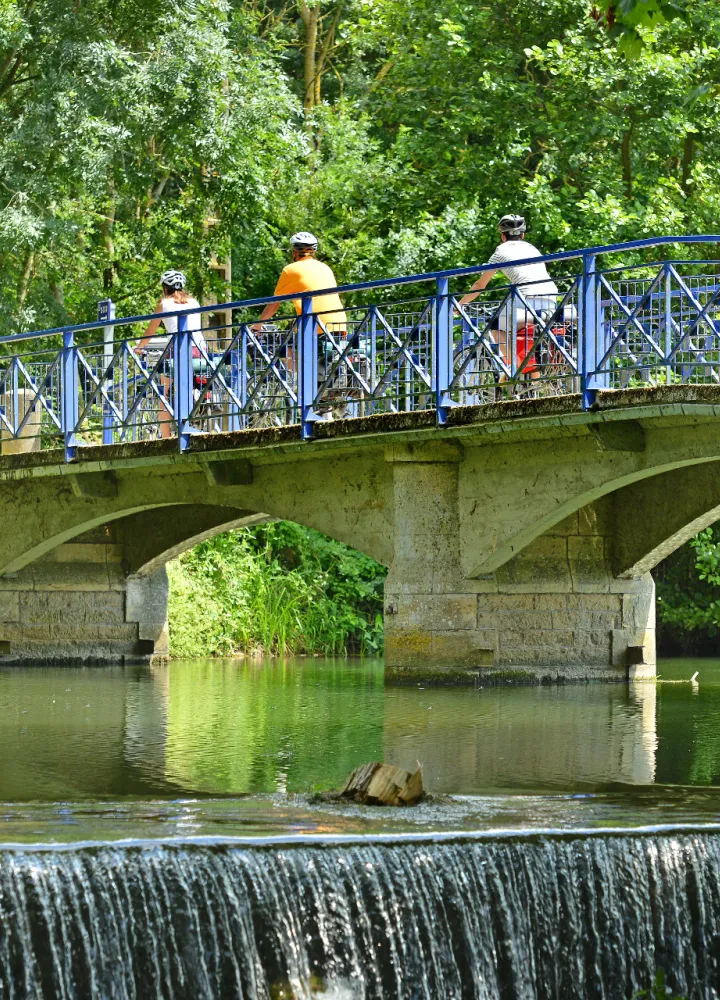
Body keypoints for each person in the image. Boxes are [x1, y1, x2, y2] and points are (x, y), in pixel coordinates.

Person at [458, 215, 558, 371]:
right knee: (524, 335)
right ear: (523, 236)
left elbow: (480, 284)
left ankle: (517, 369)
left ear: (502, 236)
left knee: (496, 328)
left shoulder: (501, 251)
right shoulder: (532, 248)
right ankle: (532, 381)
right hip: (551, 298)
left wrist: (460, 304)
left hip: (527, 300)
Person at [136, 270, 207, 438]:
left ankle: (166, 437)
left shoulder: (164, 303)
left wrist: (139, 347)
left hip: (178, 350)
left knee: (163, 391)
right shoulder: (194, 301)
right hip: (200, 349)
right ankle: (203, 400)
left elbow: (150, 331)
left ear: (164, 288)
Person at [253, 232, 347, 336]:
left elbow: (274, 304)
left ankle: (288, 352)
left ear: (294, 252)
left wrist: (257, 325)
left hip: (315, 326)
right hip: (339, 325)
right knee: (290, 331)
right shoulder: (325, 268)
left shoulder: (290, 270)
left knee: (282, 341)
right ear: (314, 252)